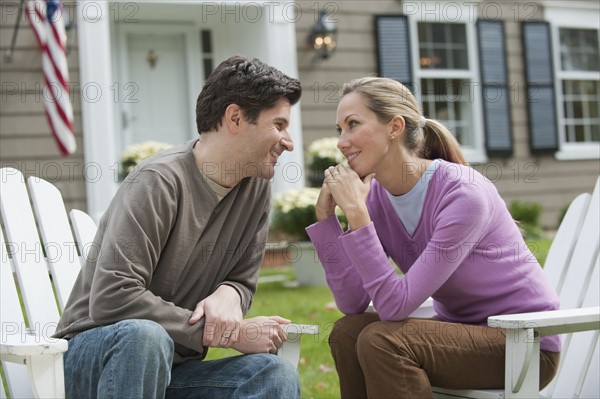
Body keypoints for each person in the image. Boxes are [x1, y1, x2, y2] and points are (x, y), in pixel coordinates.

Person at [53, 55, 302, 398]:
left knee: (273, 374)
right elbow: (112, 298)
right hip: (94, 361)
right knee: (145, 337)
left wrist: (230, 291)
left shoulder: (255, 188)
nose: (288, 141)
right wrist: (230, 335)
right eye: (279, 124)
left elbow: (242, 281)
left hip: (171, 370)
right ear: (235, 117)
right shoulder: (158, 182)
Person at [306, 77, 560, 398]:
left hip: (524, 343)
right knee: (347, 333)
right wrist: (326, 220)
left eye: (353, 124)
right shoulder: (378, 200)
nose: (342, 142)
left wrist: (358, 216)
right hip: (458, 333)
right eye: (340, 129)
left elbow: (394, 307)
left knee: (383, 341)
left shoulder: (463, 194)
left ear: (395, 127)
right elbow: (352, 303)